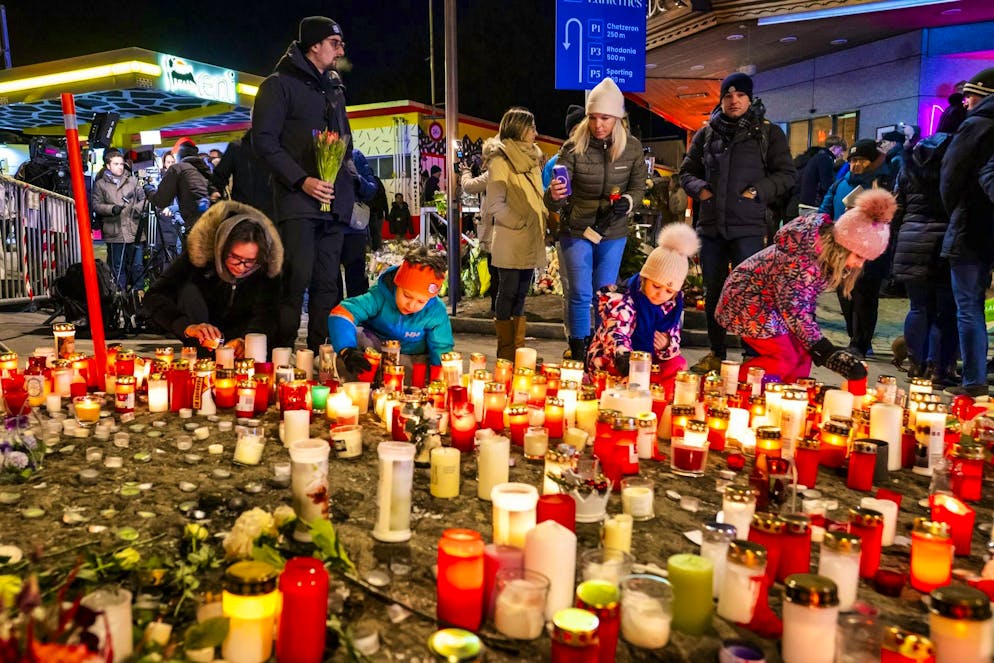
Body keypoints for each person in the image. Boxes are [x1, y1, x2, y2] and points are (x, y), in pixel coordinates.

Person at [679, 72, 797, 374]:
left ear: (750, 98)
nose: (733, 101)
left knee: (750, 292)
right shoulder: (706, 135)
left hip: (749, 227)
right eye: (728, 96)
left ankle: (751, 356)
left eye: (740, 95)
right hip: (711, 227)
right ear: (721, 100)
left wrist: (758, 191)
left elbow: (786, 175)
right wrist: (700, 189)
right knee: (713, 291)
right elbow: (686, 172)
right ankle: (716, 353)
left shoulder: (768, 134)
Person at [716, 189, 897, 383]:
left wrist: (816, 346)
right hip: (747, 301)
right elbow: (794, 309)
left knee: (803, 355)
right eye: (859, 256)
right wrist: (825, 350)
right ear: (844, 246)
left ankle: (790, 397)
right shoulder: (802, 261)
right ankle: (734, 389)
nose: (860, 264)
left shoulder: (822, 257)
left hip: (772, 304)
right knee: (784, 357)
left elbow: (803, 303)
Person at [252, 16, 357, 352]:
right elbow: (264, 141)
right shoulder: (278, 85)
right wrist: (302, 180)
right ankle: (282, 355)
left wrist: (350, 182)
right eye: (335, 43)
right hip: (298, 202)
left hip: (335, 204)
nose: (341, 50)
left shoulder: (335, 88)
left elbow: (345, 141)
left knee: (328, 284)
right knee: (295, 280)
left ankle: (319, 356)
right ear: (314, 45)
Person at [545, 77, 648, 362]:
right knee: (579, 292)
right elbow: (554, 198)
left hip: (613, 230)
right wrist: (554, 194)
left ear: (618, 117)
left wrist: (627, 202)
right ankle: (579, 351)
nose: (598, 124)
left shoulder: (633, 148)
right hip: (576, 228)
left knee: (603, 293)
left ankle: (601, 349)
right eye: (593, 117)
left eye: (605, 117)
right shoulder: (572, 147)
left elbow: (638, 188)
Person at [142, 201, 283, 358]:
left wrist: (247, 340)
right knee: (189, 292)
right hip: (203, 339)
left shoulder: (265, 268)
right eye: (235, 258)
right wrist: (187, 327)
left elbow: (267, 313)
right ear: (221, 249)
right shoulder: (198, 257)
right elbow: (154, 296)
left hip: (242, 345)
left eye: (250, 261)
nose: (242, 267)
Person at [587, 223, 700, 396]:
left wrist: (667, 344)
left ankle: (659, 396)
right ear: (644, 279)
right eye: (656, 286)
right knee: (614, 374)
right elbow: (616, 333)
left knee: (677, 363)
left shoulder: (671, 308)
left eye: (669, 291)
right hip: (617, 360)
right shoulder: (623, 301)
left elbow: (675, 338)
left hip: (648, 363)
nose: (660, 294)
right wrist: (627, 363)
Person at [940, 67, 994, 397]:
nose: (966, 103)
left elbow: (952, 176)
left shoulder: (975, 126)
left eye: (970, 96)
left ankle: (973, 380)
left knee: (969, 306)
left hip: (972, 226)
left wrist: (955, 212)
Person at [891, 128, 960, 385]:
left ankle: (915, 364)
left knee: (918, 307)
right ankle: (935, 365)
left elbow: (897, 209)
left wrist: (903, 232)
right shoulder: (952, 170)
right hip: (942, 242)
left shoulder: (907, 169)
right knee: (943, 310)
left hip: (910, 241)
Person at [328, 246, 454, 385]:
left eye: (421, 301)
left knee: (429, 367)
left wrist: (438, 383)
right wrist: (347, 351)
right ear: (397, 284)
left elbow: (441, 350)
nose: (411, 305)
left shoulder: (435, 312)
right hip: (376, 355)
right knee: (356, 336)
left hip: (412, 359)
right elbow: (343, 313)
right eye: (407, 296)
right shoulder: (380, 296)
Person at [486, 107, 547, 361]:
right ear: (519, 129)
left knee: (522, 293)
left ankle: (517, 349)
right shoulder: (501, 161)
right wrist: (520, 221)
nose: (535, 133)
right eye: (531, 127)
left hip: (531, 236)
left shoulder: (533, 159)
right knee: (508, 291)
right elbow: (494, 204)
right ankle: (505, 352)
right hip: (512, 237)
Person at [821, 139, 890, 358]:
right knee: (845, 295)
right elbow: (825, 209)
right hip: (841, 251)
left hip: (867, 252)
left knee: (865, 297)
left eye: (861, 160)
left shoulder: (880, 184)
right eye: (852, 160)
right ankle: (853, 337)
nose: (855, 165)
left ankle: (860, 343)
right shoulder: (840, 183)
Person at [90, 148, 146, 289]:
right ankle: (120, 295)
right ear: (108, 166)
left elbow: (144, 199)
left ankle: (139, 293)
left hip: (134, 229)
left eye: (121, 164)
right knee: (117, 266)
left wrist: (137, 209)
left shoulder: (132, 181)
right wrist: (111, 209)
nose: (120, 167)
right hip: (115, 230)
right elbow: (96, 205)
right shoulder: (100, 184)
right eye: (116, 164)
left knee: (137, 265)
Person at [461, 137, 500, 313]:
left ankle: (498, 307)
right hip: (500, 228)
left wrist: (465, 172)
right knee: (500, 271)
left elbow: (469, 186)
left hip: (496, 231)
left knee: (496, 270)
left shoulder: (494, 172)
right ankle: (502, 307)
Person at [338, 148, 378, 303]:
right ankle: (335, 319)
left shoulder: (354, 156)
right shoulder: (316, 152)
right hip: (327, 226)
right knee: (328, 281)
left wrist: (357, 177)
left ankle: (359, 316)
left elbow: (371, 190)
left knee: (356, 279)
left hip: (353, 227)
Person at [210, 129, 275, 220]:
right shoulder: (237, 148)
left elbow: (219, 176)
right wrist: (215, 191)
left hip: (250, 210)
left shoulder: (276, 147)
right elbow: (219, 176)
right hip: (248, 211)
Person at [152, 140, 213, 235]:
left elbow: (161, 201)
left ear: (179, 155)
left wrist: (149, 190)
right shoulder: (204, 169)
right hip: (213, 221)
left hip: (196, 226)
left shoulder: (178, 168)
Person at [798, 135, 846, 208]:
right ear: (835, 147)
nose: (842, 154)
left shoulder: (819, 156)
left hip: (806, 202)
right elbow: (827, 185)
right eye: (841, 149)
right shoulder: (825, 159)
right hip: (813, 205)